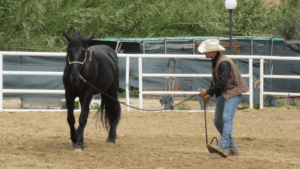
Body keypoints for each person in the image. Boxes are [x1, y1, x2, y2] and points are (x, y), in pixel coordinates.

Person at [197, 39, 248, 158]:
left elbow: (222, 82)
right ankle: (233, 148)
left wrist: (208, 93)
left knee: (226, 118)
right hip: (225, 93)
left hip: (233, 92)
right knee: (218, 121)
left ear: (213, 51)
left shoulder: (223, 63)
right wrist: (209, 94)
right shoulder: (216, 61)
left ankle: (224, 146)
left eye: (206, 51)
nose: (204, 53)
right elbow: (216, 80)